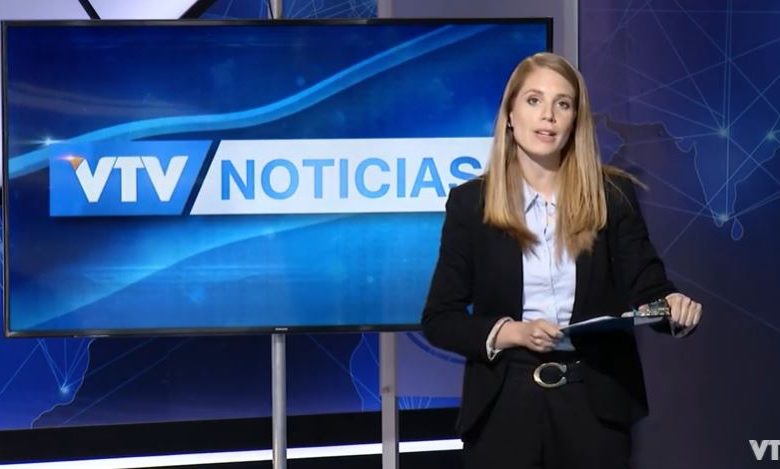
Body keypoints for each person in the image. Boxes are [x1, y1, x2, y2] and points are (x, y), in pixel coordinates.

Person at [421, 52, 702, 469]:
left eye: (563, 104)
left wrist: (673, 307)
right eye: (534, 100)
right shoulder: (470, 204)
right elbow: (440, 319)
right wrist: (512, 332)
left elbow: (649, 289)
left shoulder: (612, 198)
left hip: (593, 409)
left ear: (575, 120)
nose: (548, 116)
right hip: (504, 408)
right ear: (510, 114)